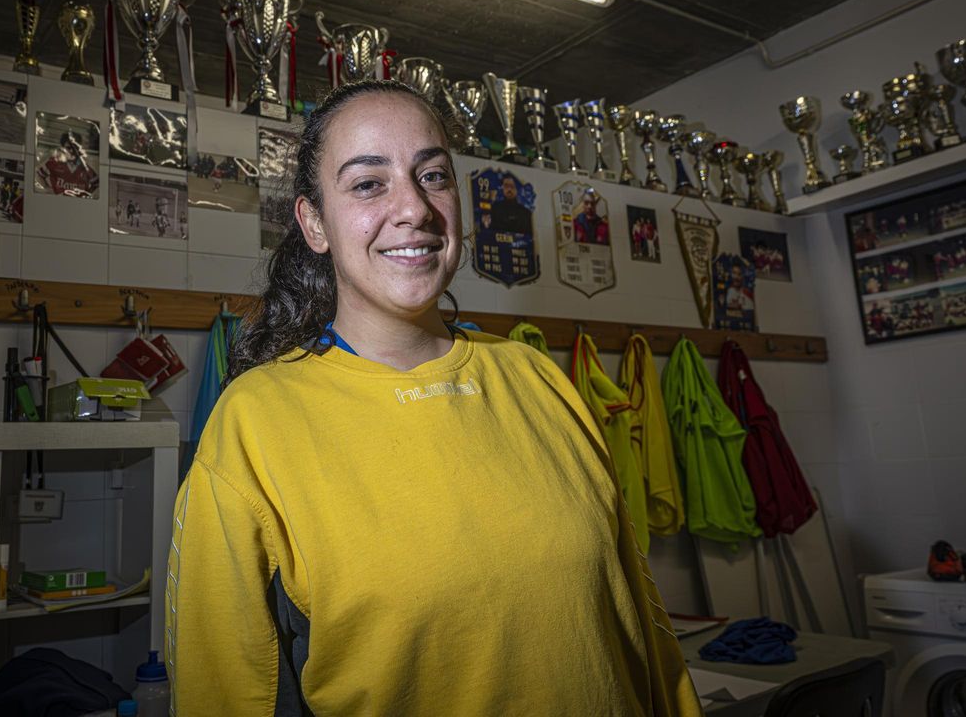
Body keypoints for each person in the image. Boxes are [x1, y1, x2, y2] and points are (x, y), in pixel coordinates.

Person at [166, 80, 700, 716]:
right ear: (314, 224)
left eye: (434, 175)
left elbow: (641, 621)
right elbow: (221, 688)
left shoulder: (537, 377)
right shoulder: (255, 421)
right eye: (368, 183)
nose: (414, 208)